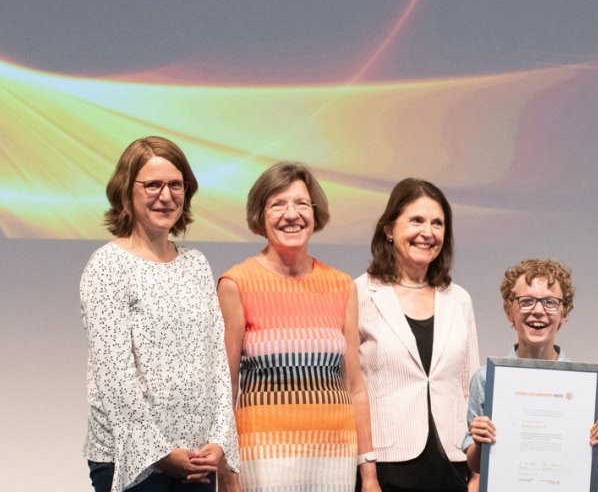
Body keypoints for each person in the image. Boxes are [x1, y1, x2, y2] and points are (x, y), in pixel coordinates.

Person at [80, 136, 238, 492]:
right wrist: (160, 453)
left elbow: (215, 361)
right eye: (152, 184)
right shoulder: (108, 266)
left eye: (176, 185)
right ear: (126, 191)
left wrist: (218, 442)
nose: (166, 196)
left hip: (197, 460)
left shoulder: (195, 264)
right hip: (132, 463)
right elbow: (115, 377)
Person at [217, 162, 378, 492]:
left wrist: (369, 473)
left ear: (316, 214)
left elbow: (355, 386)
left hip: (335, 457)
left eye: (302, 204)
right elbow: (224, 388)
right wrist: (227, 473)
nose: (292, 215)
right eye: (278, 204)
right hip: (263, 458)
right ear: (260, 217)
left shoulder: (342, 285)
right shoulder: (237, 283)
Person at [356, 178, 480, 492]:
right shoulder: (359, 293)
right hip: (387, 466)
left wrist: (478, 472)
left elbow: (472, 388)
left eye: (438, 224)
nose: (428, 233)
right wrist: (367, 475)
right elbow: (351, 390)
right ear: (388, 229)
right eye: (416, 221)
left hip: (453, 464)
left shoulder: (459, 298)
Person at [461, 258, 598, 477]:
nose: (538, 311)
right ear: (508, 310)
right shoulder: (486, 379)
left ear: (564, 313)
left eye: (550, 302)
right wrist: (479, 439)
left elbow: (579, 465)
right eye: (526, 301)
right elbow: (475, 464)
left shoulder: (583, 385)